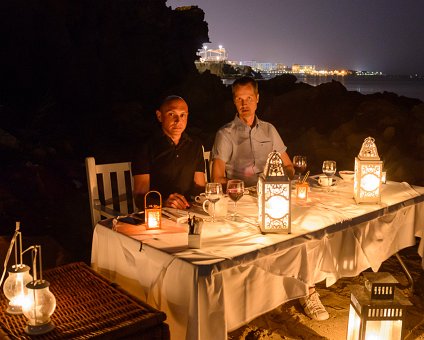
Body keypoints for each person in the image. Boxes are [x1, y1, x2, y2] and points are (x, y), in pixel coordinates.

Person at [211, 76, 329, 321]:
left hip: (273, 196)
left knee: (305, 230)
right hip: (243, 201)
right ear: (234, 102)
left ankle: (307, 290)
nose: (245, 104)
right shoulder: (226, 134)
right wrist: (245, 187)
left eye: (249, 99)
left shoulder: (269, 130)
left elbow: (288, 168)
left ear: (257, 99)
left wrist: (277, 177)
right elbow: (217, 178)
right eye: (239, 99)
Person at [132, 95, 205, 210]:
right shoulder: (146, 146)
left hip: (189, 211)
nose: (178, 120)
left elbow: (200, 189)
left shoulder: (195, 145)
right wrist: (165, 203)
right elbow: (140, 199)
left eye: (182, 115)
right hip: (158, 214)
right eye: (172, 114)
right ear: (159, 116)